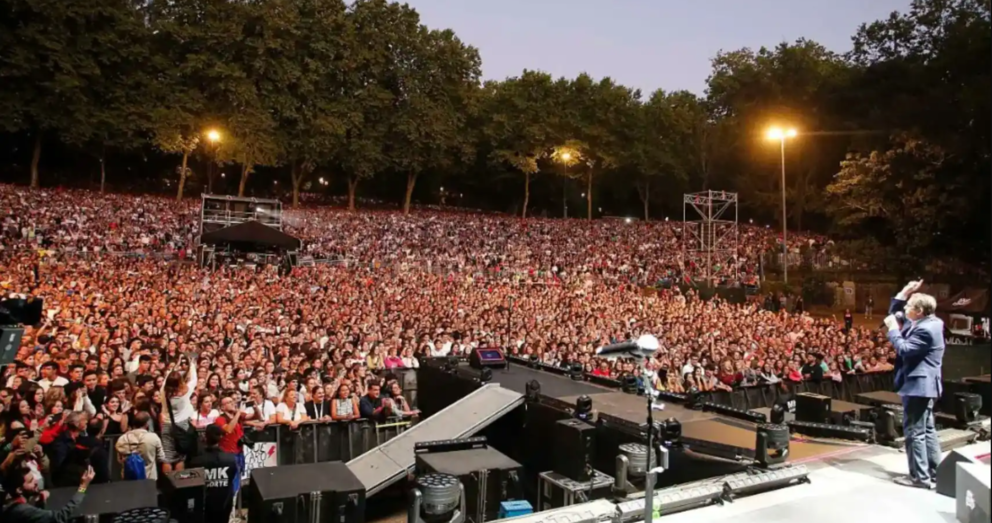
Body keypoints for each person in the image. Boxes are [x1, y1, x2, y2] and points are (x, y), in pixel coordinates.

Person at [884, 280, 945, 490]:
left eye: (909, 306)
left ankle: (920, 478)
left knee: (915, 432)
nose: (905, 309)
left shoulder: (924, 331)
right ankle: (936, 473)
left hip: (918, 386)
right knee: (927, 430)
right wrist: (904, 291)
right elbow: (895, 312)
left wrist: (893, 331)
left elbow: (905, 349)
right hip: (926, 385)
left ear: (918, 311)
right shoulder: (930, 322)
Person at [2, 464, 95, 523]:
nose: (35, 482)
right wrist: (83, 487)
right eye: (30, 481)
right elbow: (60, 517)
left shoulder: (10, 503)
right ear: (19, 490)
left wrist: (39, 504)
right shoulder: (21, 509)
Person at [189, 425, 237, 523]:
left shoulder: (196, 462)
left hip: (205, 508)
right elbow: (231, 478)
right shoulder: (230, 459)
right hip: (224, 505)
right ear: (221, 438)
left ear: (205, 437)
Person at [114, 411, 165, 480]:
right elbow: (161, 458)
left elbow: (119, 460)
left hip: (128, 478)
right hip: (149, 478)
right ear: (147, 424)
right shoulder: (153, 437)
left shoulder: (122, 438)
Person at [213, 393, 246, 496]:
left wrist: (254, 407)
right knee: (230, 483)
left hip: (239, 452)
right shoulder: (220, 419)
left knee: (238, 482)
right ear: (223, 407)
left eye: (232, 402)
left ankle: (234, 507)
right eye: (229, 402)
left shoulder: (238, 416)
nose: (232, 404)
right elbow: (228, 429)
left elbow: (256, 416)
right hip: (228, 455)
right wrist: (238, 413)